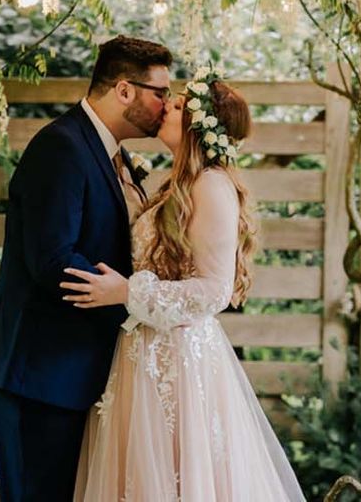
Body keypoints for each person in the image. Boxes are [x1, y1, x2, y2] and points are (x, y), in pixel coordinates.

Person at [62, 71, 306, 501]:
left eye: (176, 106)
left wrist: (127, 292)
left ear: (197, 126)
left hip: (180, 361)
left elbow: (213, 290)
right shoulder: (177, 184)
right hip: (142, 354)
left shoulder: (211, 185)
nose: (164, 108)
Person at [0, 35, 173, 502]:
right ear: (124, 90)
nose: (166, 105)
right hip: (42, 374)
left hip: (80, 372)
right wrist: (135, 306)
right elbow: (52, 259)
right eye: (160, 93)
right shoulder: (60, 147)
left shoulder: (111, 153)